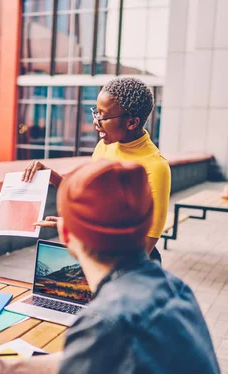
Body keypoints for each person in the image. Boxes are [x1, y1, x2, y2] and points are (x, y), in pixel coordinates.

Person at [0, 160, 226, 374]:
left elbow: (104, 342)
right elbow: (87, 362)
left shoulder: (107, 321)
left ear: (66, 235)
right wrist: (5, 369)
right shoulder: (174, 289)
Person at [22, 77, 171, 263]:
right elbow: (87, 197)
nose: (96, 121)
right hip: (98, 256)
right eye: (96, 112)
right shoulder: (104, 146)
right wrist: (51, 176)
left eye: (104, 116)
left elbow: (147, 243)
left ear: (132, 122)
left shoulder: (156, 167)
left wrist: (85, 234)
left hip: (130, 267)